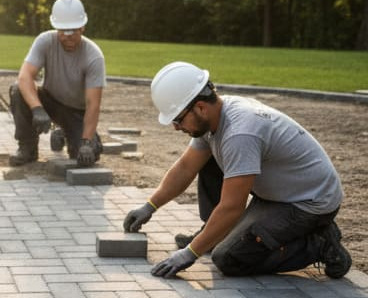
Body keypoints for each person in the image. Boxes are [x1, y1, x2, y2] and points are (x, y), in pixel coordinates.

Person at [123, 61, 352, 279]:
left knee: (229, 258)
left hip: (308, 204)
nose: (175, 127)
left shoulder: (240, 133)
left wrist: (190, 253)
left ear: (200, 107)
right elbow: (185, 168)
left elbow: (232, 207)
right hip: (278, 194)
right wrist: (149, 206)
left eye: (178, 120)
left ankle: (320, 243)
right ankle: (213, 234)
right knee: (209, 159)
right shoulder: (213, 118)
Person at [9, 0, 105, 166]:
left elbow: (93, 104)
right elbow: (25, 76)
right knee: (18, 90)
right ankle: (27, 149)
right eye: (63, 31)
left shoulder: (94, 56)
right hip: (50, 101)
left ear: (82, 27)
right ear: (56, 28)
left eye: (73, 31)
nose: (68, 36)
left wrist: (87, 142)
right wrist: (37, 109)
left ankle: (63, 133)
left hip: (76, 111)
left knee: (88, 155)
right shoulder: (45, 41)